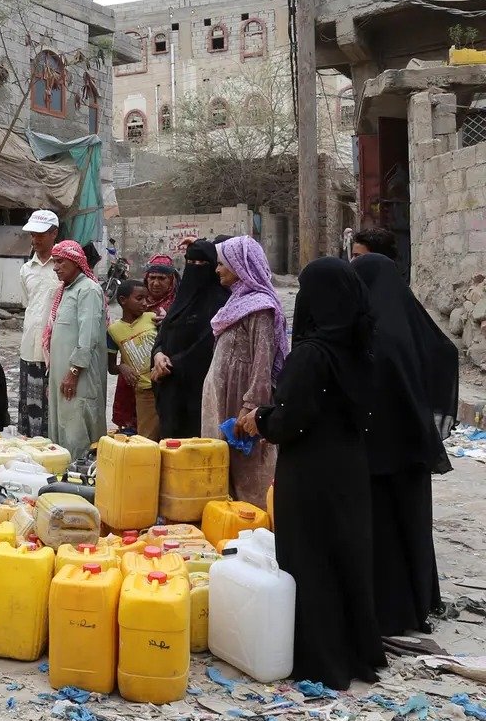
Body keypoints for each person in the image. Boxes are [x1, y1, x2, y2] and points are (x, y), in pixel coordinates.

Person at [245, 258, 385, 690]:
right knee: (346, 556)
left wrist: (260, 419)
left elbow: (291, 420)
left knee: (310, 558)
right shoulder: (359, 347)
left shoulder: (311, 354)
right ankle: (356, 650)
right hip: (349, 467)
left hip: (310, 472)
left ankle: (323, 658)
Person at [353, 253, 460, 636]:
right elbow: (444, 352)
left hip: (382, 451)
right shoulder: (407, 323)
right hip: (412, 447)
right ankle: (419, 600)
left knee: (385, 531)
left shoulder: (377, 333)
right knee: (412, 526)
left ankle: (393, 611)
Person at [200, 236, 288, 509]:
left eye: (222, 264)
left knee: (249, 473)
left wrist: (250, 407)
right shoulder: (235, 302)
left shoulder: (260, 307)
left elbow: (262, 362)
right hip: (222, 397)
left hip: (239, 401)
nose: (217, 270)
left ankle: (257, 525)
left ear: (240, 265)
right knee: (220, 467)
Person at [150, 239, 231, 439]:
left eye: (202, 263)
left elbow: (206, 346)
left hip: (200, 391)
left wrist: (171, 364)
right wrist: (158, 354)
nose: (195, 268)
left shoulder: (222, 303)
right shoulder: (182, 299)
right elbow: (164, 334)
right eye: (191, 262)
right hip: (171, 390)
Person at [45, 240, 107, 461]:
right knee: (62, 424)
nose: (55, 268)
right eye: (54, 262)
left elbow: (88, 337)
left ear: (75, 261)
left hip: (79, 375)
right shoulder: (67, 290)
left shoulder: (88, 289)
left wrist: (73, 371)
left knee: (78, 427)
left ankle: (80, 473)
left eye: (60, 262)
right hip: (63, 374)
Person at [18, 209, 61, 438]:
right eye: (33, 235)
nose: (35, 239)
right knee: (31, 404)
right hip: (30, 346)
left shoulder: (63, 267)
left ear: (54, 233)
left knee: (55, 404)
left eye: (41, 234)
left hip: (57, 348)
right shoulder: (26, 269)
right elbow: (29, 304)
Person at [107, 281, 159, 440]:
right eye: (139, 298)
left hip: (164, 385)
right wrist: (122, 367)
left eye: (146, 298)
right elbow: (111, 367)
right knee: (147, 437)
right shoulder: (113, 331)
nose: (145, 303)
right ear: (123, 300)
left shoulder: (153, 318)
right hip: (144, 391)